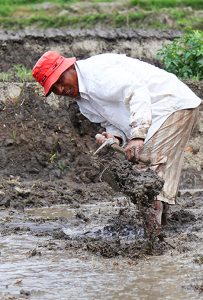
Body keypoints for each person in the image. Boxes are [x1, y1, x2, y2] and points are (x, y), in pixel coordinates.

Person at [32, 51, 201, 233]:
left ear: (70, 67)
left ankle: (153, 240)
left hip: (171, 106)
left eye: (59, 81)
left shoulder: (98, 74)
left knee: (144, 177)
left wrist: (137, 136)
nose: (60, 89)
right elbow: (112, 122)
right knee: (150, 175)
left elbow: (137, 93)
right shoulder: (83, 103)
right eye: (53, 88)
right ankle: (160, 230)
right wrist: (115, 137)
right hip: (159, 115)